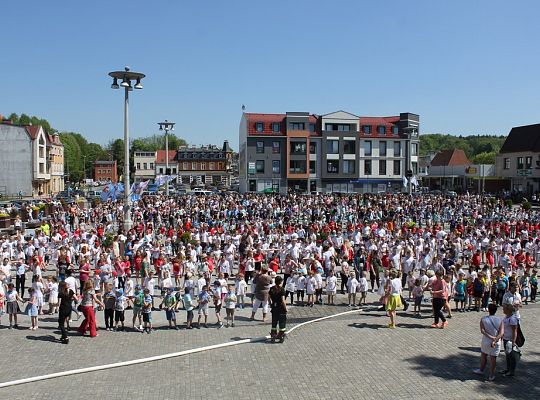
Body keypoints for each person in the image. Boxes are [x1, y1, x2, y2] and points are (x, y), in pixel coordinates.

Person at [473, 303, 504, 381]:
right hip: (496, 342)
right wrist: (495, 339)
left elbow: (482, 331)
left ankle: (481, 370)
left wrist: (490, 337)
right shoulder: (500, 320)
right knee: (493, 359)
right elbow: (501, 333)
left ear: (488, 310)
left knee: (483, 355)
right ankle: (491, 375)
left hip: (486, 341)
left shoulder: (483, 319)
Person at [501, 305, 520, 377]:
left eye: (504, 308)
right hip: (505, 339)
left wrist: (513, 341)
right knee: (507, 355)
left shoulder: (512, 319)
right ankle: (508, 369)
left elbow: (515, 331)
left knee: (512, 356)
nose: (503, 309)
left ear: (508, 310)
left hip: (510, 340)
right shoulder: (506, 317)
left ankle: (511, 371)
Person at [269, 275, 287, 343]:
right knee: (282, 322)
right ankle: (281, 336)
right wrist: (285, 308)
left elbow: (268, 298)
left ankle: (273, 335)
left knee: (274, 322)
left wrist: (271, 305)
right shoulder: (282, 289)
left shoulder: (271, 289)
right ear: (280, 282)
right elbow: (283, 300)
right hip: (281, 308)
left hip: (274, 307)